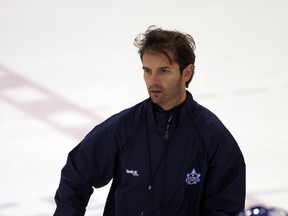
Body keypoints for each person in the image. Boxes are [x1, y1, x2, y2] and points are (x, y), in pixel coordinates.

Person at [53, 26, 246, 216]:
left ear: (186, 73)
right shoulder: (125, 127)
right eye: (147, 71)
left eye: (163, 71)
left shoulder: (212, 137)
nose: (153, 81)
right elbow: (77, 173)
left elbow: (225, 207)